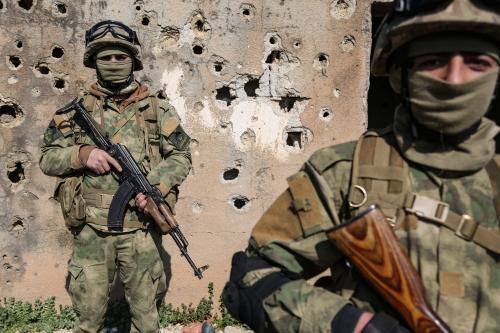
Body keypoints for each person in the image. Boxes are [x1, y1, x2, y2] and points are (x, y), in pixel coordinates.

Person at [222, 1, 500, 332]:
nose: (454, 80)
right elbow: (251, 276)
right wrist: (352, 325)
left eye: (477, 63)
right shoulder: (345, 172)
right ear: (402, 75)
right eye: (433, 61)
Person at [39, 20, 192, 333]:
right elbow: (47, 159)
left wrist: (154, 188)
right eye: (104, 58)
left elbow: (181, 156)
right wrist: (82, 155)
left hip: (141, 229)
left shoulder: (157, 109)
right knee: (88, 319)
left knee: (147, 322)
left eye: (120, 57)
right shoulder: (74, 112)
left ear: (133, 62)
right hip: (92, 231)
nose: (112, 63)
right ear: (93, 63)